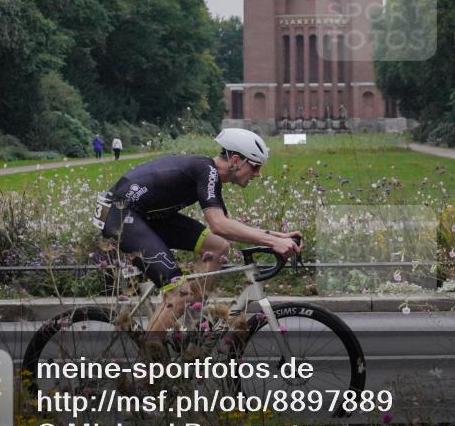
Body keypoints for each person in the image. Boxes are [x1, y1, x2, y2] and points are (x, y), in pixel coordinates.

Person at [99, 128, 303, 343]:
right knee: (180, 293)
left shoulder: (208, 172)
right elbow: (218, 224)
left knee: (217, 246)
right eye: (255, 166)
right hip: (120, 216)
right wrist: (274, 242)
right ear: (236, 160)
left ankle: (191, 322)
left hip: (142, 215)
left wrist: (279, 236)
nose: (257, 174)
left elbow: (228, 224)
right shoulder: (207, 171)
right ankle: (148, 365)